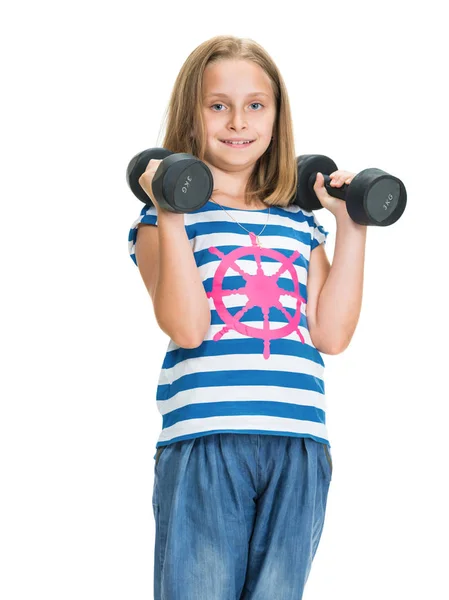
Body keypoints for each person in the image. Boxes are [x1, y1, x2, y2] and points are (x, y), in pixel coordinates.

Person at [127, 35, 366, 600]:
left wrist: (352, 225)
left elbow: (331, 335)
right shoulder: (161, 222)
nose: (238, 121)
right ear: (193, 113)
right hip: (207, 439)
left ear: (277, 117)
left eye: (256, 105)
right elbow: (186, 327)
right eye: (218, 105)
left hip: (299, 442)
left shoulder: (299, 222)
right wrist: (170, 205)